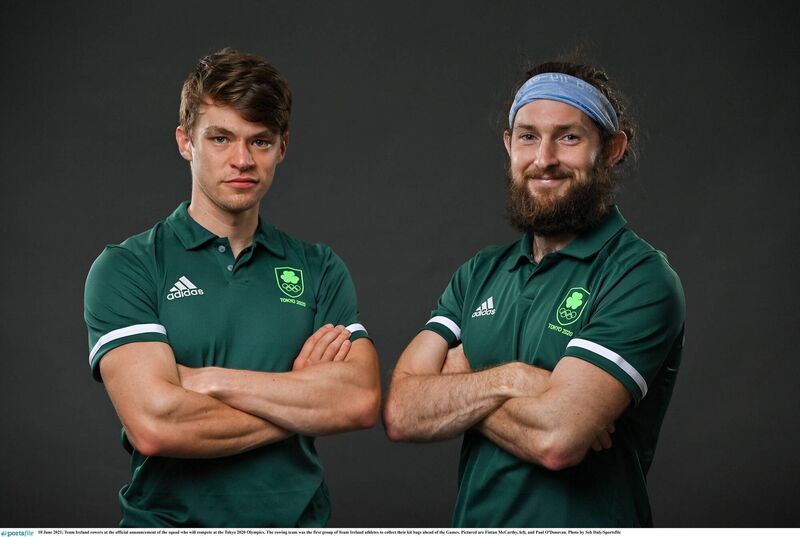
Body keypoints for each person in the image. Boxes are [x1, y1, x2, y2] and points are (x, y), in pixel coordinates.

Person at [83, 48, 380, 527]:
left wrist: (208, 380)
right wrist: (303, 401)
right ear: (186, 142)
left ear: (282, 147)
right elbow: (156, 425)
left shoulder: (319, 267)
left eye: (260, 141)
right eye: (220, 138)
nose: (242, 160)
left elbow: (359, 400)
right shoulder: (128, 267)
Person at [383, 61, 685, 527]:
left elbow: (557, 440)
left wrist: (463, 380)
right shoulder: (479, 273)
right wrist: (517, 378)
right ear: (509, 145)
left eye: (569, 137)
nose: (544, 158)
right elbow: (402, 411)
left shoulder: (639, 277)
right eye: (528, 136)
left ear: (611, 150)